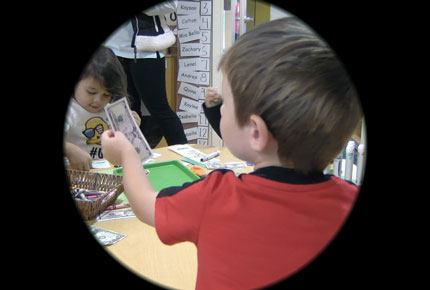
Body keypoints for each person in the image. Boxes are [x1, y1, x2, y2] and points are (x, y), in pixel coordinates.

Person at [101, 17, 362, 289]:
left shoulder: (216, 197)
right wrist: (216, 111)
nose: (221, 108)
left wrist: (127, 154)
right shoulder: (348, 199)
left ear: (256, 132)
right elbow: (250, 144)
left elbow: (145, 204)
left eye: (225, 102)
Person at [104, 0, 188, 147]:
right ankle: (130, 158)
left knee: (159, 109)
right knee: (125, 111)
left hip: (147, 51)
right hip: (112, 49)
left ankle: (185, 157)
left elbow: (171, 5)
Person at [64, 46, 141, 171]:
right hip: (77, 175)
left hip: (108, 172)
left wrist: (130, 128)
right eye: (91, 92)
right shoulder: (71, 111)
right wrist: (69, 149)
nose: (98, 100)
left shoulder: (112, 108)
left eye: (106, 95)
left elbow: (125, 148)